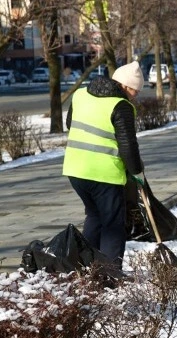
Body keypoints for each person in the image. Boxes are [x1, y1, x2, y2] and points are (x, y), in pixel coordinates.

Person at [62, 61, 145, 265]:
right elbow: (128, 146)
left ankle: (86, 266)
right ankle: (111, 275)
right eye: (135, 91)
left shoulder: (80, 94)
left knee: (94, 216)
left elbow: (70, 124)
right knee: (113, 225)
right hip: (104, 174)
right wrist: (137, 172)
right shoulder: (121, 106)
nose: (136, 96)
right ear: (125, 86)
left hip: (75, 170)